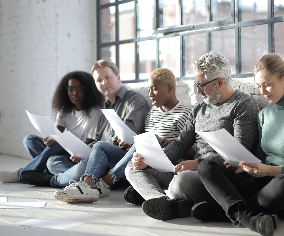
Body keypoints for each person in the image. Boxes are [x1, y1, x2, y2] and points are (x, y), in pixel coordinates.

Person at [189, 54, 284, 236]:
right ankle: (248, 218)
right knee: (206, 165)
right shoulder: (264, 115)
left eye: (267, 84)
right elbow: (259, 157)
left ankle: (225, 212)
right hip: (261, 185)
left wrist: (268, 170)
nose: (263, 92)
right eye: (259, 86)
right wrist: (245, 167)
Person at [126, 52, 259, 218]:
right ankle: (162, 201)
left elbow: (240, 154)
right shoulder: (198, 109)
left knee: (181, 182)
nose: (197, 90)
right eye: (196, 85)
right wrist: (151, 159)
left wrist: (197, 164)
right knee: (132, 167)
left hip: (217, 176)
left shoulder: (242, 105)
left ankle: (174, 199)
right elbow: (180, 144)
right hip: (190, 171)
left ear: (219, 81)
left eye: (201, 85)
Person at [54, 68, 192, 203]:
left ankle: (104, 183)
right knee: (101, 145)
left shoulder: (184, 114)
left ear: (169, 88)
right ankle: (87, 184)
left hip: (163, 166)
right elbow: (143, 142)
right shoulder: (153, 113)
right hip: (139, 162)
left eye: (154, 89)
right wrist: (130, 146)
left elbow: (192, 149)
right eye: (149, 90)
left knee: (152, 139)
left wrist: (174, 143)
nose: (150, 94)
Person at [18, 59, 150, 199]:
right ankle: (76, 176)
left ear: (118, 78)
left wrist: (95, 150)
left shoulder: (134, 100)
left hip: (121, 159)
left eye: (107, 78)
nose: (104, 83)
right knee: (53, 162)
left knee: (83, 165)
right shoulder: (105, 107)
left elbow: (128, 138)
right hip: (100, 157)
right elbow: (98, 139)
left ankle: (51, 180)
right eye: (99, 80)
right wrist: (84, 152)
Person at [0, 71, 105, 183]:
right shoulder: (64, 110)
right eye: (71, 89)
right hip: (64, 150)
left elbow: (89, 144)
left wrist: (57, 142)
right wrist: (49, 140)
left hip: (80, 153)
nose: (74, 93)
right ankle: (44, 171)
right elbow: (56, 133)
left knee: (54, 153)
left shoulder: (94, 112)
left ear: (88, 90)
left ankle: (21, 174)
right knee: (30, 140)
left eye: (79, 89)